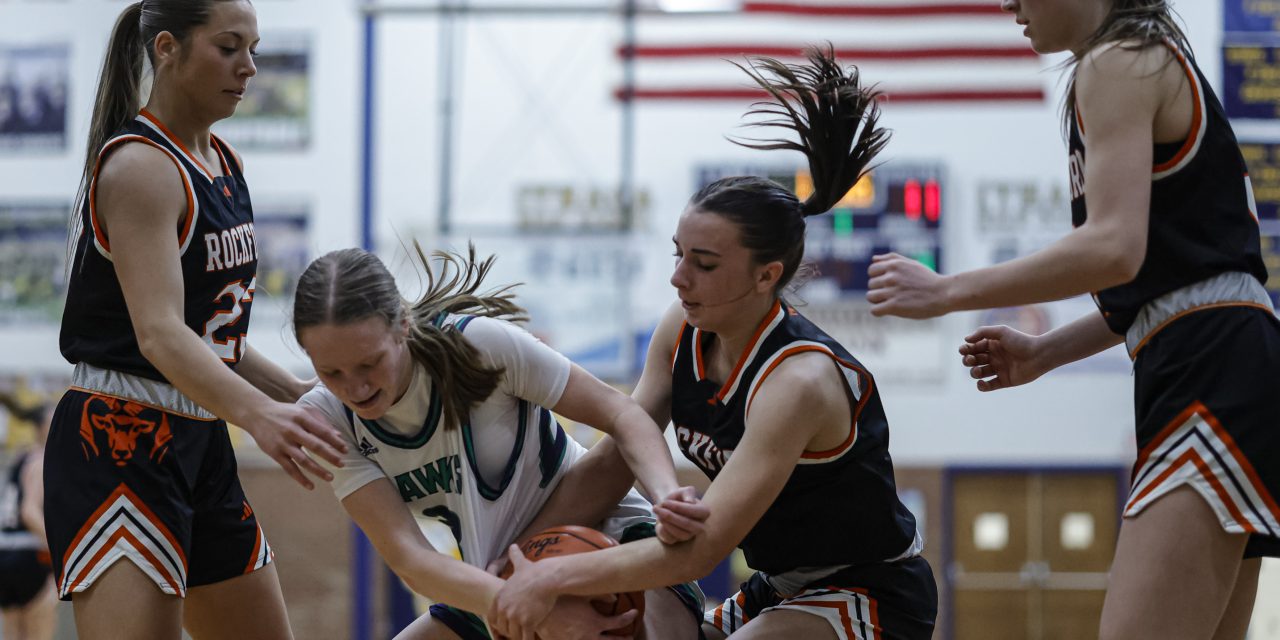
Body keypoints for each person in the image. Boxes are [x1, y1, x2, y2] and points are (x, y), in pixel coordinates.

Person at [490, 46, 938, 640]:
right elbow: (612, 459)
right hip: (779, 584)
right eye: (678, 255)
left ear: (766, 274)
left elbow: (701, 552)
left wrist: (555, 576)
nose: (679, 278)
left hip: (870, 586)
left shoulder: (797, 381)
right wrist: (509, 565)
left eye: (703, 264)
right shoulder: (681, 328)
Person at [865, 1, 1279, 638]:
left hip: (1210, 365)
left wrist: (948, 291)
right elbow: (1161, 285)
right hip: (1218, 356)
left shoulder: (1118, 60)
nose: (1008, 3)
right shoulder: (1139, 58)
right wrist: (1043, 353)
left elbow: (1114, 248)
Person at [47, 2, 347, 638]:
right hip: (118, 437)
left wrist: (290, 392)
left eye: (255, 50)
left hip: (201, 438)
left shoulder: (223, 162)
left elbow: (214, 333)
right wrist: (260, 414)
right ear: (167, 48)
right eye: (230, 47)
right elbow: (159, 334)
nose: (249, 68)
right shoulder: (139, 166)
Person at [292, 245, 709, 640]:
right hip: (492, 579)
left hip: (607, 534)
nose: (356, 387)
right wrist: (534, 606)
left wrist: (667, 495)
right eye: (331, 372)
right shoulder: (326, 418)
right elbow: (411, 561)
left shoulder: (478, 345)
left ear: (402, 323)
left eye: (370, 362)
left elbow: (622, 413)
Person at [0, 404, 56, 640]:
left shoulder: (20, 457)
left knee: (12, 633)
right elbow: (29, 513)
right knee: (38, 634)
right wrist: (61, 548)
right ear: (41, 428)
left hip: (5, 553)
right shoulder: (41, 460)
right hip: (31, 557)